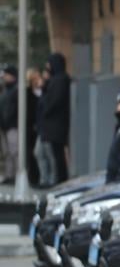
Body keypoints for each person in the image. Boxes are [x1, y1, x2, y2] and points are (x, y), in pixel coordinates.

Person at [37, 53, 71, 185]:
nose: (47, 68)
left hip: (55, 126)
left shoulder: (60, 80)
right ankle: (50, 180)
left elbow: (52, 102)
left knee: (55, 156)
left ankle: (56, 181)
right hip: (51, 126)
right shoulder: (55, 80)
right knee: (50, 154)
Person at [0, 65, 18, 182]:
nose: (4, 77)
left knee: (14, 151)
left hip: (12, 125)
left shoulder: (16, 90)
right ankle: (9, 175)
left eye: (6, 75)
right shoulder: (5, 90)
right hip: (4, 126)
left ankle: (17, 175)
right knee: (7, 152)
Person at [25, 68, 42, 188]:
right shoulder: (27, 93)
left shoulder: (43, 90)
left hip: (41, 127)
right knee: (32, 154)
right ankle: (33, 178)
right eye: (35, 78)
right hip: (31, 128)